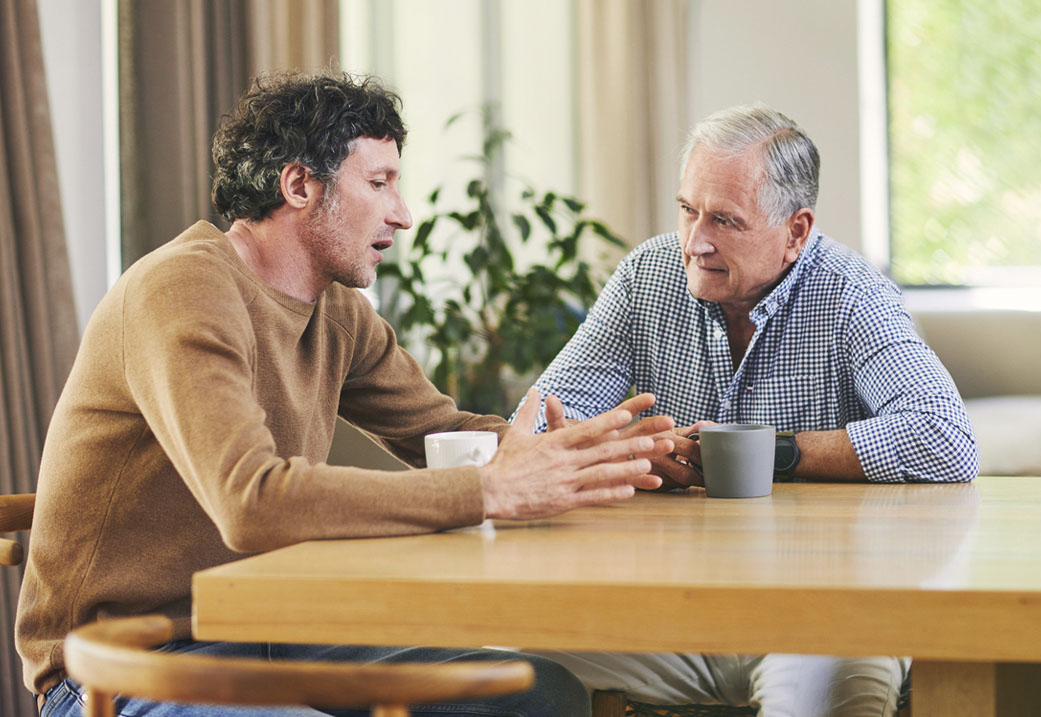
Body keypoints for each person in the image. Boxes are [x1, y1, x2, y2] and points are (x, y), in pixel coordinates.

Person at [17, 71, 677, 717]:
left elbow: (440, 433)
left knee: (536, 687)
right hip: (122, 662)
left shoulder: (336, 312)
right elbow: (252, 501)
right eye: (380, 183)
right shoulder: (182, 291)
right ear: (300, 185)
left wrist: (580, 454)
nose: (405, 214)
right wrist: (490, 490)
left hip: (269, 630)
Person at [519, 104, 980, 716]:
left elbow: (945, 436)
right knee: (493, 661)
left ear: (796, 232)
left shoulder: (850, 293)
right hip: (670, 607)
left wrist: (772, 454)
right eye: (687, 210)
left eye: (725, 221)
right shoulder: (647, 277)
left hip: (824, 607)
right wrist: (629, 449)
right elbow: (546, 415)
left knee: (814, 695)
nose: (695, 241)